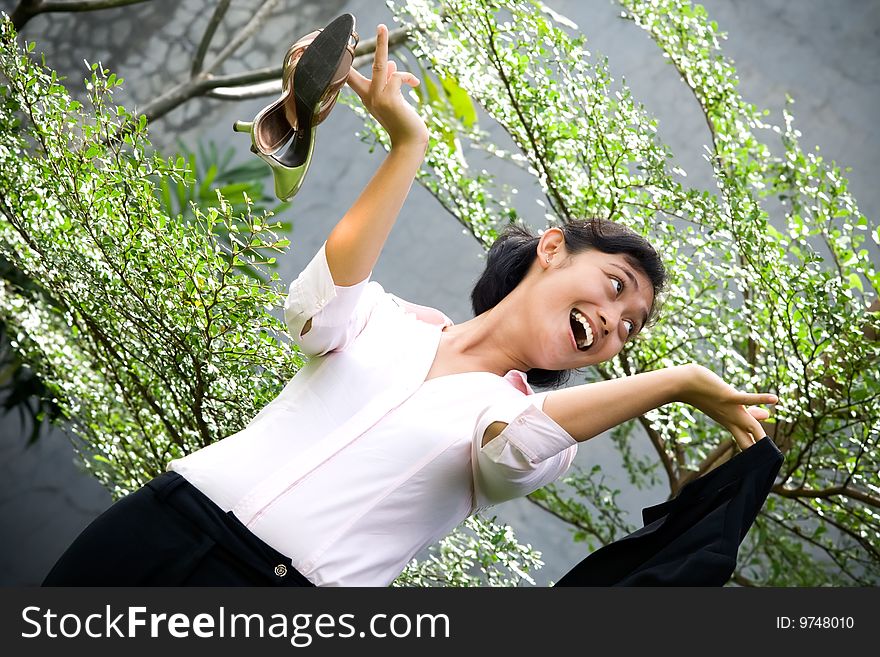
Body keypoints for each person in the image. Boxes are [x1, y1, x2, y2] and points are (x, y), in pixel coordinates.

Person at [42, 23, 777, 587]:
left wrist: (678, 379)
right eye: (616, 287)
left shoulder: (533, 427)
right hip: (162, 517)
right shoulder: (390, 318)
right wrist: (407, 144)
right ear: (553, 248)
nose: (615, 324)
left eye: (630, 329)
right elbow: (314, 308)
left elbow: (511, 448)